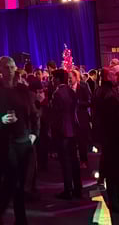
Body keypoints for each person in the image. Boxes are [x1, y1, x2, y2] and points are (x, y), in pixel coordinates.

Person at [0, 56, 38, 225]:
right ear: (0, 69)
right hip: (5, 142)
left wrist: (34, 134)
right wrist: (0, 119)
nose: (11, 70)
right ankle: (5, 215)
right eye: (6, 67)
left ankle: (7, 216)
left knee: (19, 182)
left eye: (13, 67)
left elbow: (34, 114)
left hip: (24, 140)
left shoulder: (23, 89)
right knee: (12, 180)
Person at [92, 64, 119, 214]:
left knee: (113, 172)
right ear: (109, 77)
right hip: (113, 137)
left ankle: (116, 200)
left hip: (109, 138)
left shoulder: (102, 92)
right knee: (114, 173)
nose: (118, 77)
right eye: (115, 74)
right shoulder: (109, 94)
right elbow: (114, 117)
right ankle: (115, 202)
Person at [49, 68, 82, 200]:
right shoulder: (71, 91)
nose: (52, 80)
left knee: (65, 162)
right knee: (74, 161)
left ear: (57, 79)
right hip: (73, 129)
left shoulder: (57, 93)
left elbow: (56, 115)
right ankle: (78, 189)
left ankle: (68, 190)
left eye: (53, 78)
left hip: (62, 131)